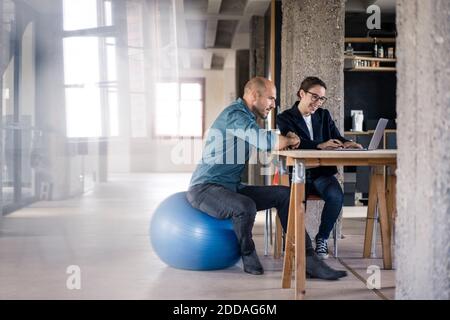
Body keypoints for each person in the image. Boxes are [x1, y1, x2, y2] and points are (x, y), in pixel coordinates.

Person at [187, 76, 347, 280]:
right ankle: (247, 253)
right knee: (244, 206)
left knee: (286, 195)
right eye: (271, 98)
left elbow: (269, 139)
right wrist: (289, 139)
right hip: (204, 189)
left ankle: (308, 259)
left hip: (230, 187)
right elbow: (265, 141)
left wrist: (287, 140)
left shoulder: (246, 117)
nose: (274, 104)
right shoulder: (235, 115)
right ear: (255, 95)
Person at [277, 76, 363, 259]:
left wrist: (348, 143)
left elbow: (336, 136)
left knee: (336, 197)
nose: (318, 102)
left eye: (322, 98)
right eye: (314, 97)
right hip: (300, 174)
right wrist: (319, 145)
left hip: (322, 174)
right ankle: (296, 239)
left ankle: (322, 238)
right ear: (302, 93)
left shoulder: (324, 115)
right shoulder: (285, 118)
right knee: (298, 204)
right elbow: (294, 144)